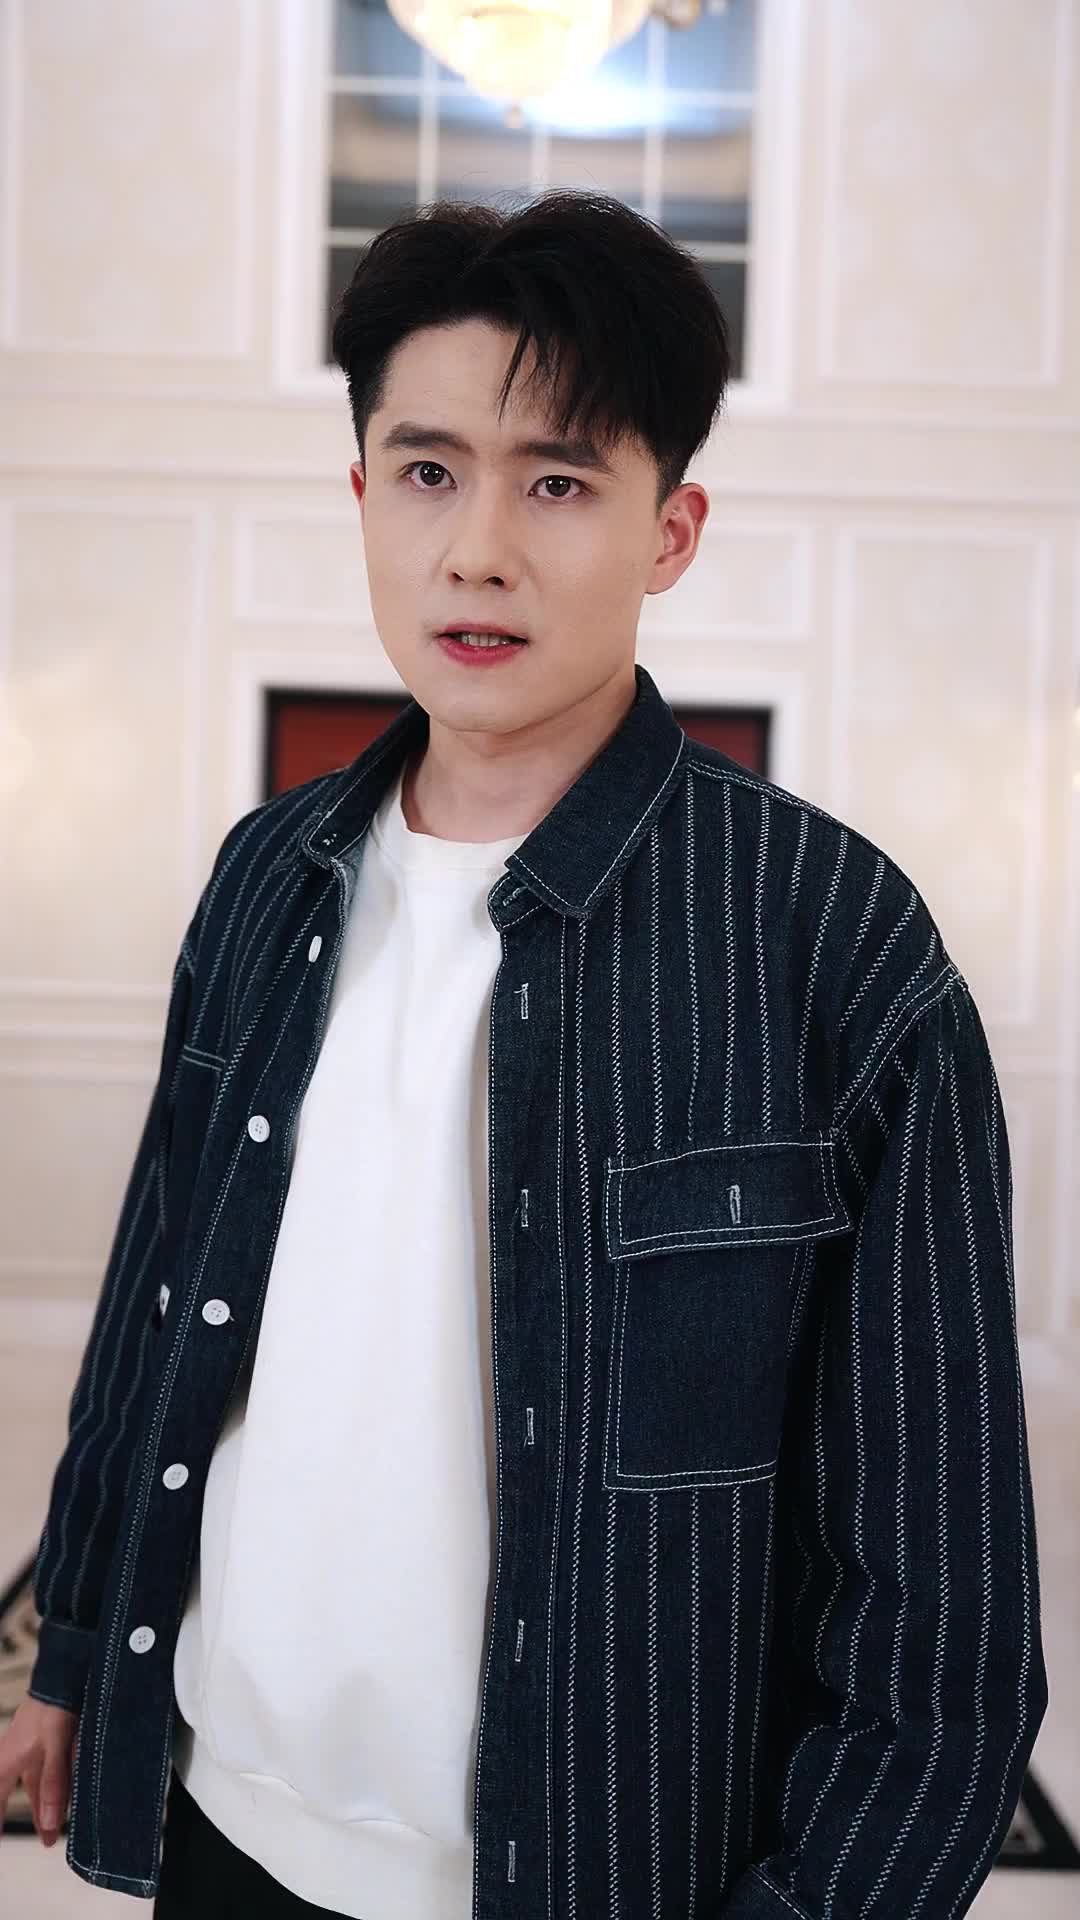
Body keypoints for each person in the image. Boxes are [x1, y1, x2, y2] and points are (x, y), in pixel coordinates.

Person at [0, 189, 1047, 1918]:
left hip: (598, 1875)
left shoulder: (831, 941)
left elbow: (941, 1606)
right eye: (428, 470)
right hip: (223, 1829)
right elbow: (156, 1304)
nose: (477, 549)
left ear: (672, 529)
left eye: (557, 482)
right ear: (360, 497)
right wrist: (69, 1652)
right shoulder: (265, 880)